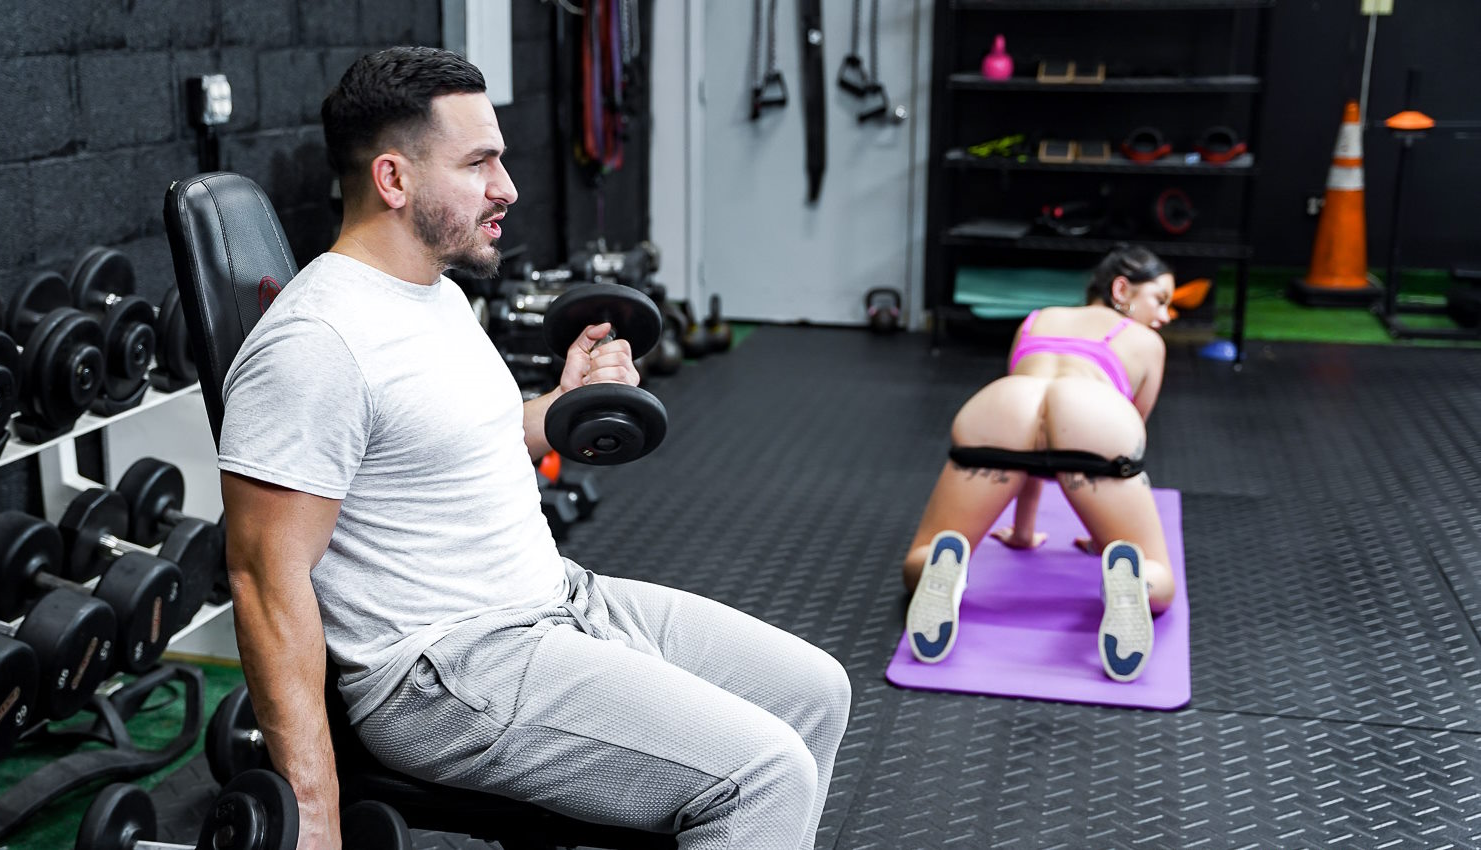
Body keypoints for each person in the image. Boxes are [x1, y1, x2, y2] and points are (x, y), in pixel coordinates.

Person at [214, 46, 850, 850]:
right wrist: (314, 814)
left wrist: (560, 405)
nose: (507, 187)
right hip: (447, 672)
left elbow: (456, 441)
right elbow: (264, 576)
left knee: (816, 692)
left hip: (557, 601)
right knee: (764, 773)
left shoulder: (433, 293)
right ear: (393, 179)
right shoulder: (317, 342)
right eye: (478, 163)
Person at [902, 246, 1177, 683]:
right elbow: (1127, 439)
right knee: (1160, 582)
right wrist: (1101, 535)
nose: (1164, 315)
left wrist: (1023, 533)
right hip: (1094, 415)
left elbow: (1029, 447)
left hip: (1001, 405)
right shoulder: (1147, 342)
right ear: (1122, 289)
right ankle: (1136, 581)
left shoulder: (1037, 318)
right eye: (1159, 300)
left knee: (920, 557)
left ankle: (944, 568)